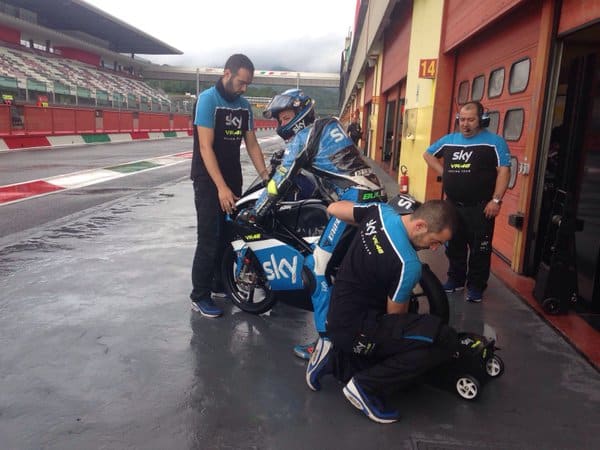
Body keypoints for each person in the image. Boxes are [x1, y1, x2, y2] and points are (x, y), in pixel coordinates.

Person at [239, 88, 386, 359]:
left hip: (354, 200)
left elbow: (279, 183)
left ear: (301, 113)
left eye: (285, 117)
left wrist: (256, 212)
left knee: (314, 268)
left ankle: (326, 344)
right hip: (373, 194)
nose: (282, 123)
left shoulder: (303, 137)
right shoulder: (330, 125)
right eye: (280, 119)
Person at [305, 199, 459, 424]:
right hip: (356, 329)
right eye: (435, 241)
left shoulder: (379, 212)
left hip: (335, 314)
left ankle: (334, 359)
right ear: (420, 226)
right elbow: (395, 318)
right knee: (442, 339)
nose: (434, 248)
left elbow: (333, 209)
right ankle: (365, 387)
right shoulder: (407, 264)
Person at [190, 54, 269, 318]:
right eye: (241, 82)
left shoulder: (244, 106)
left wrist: (266, 176)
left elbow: (252, 143)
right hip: (208, 180)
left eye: (247, 84)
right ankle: (199, 295)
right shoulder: (208, 100)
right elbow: (205, 147)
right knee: (209, 238)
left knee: (228, 236)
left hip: (233, 179)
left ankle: (218, 283)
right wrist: (221, 188)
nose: (243, 88)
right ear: (227, 74)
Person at [422, 101, 511, 303]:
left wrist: (496, 200)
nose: (465, 124)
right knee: (454, 245)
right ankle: (456, 280)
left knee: (480, 250)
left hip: (481, 208)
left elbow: (504, 171)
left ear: (482, 120)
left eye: (470, 120)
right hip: (453, 206)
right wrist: (444, 173)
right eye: (462, 119)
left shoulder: (494, 142)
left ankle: (476, 287)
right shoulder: (449, 140)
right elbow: (428, 154)